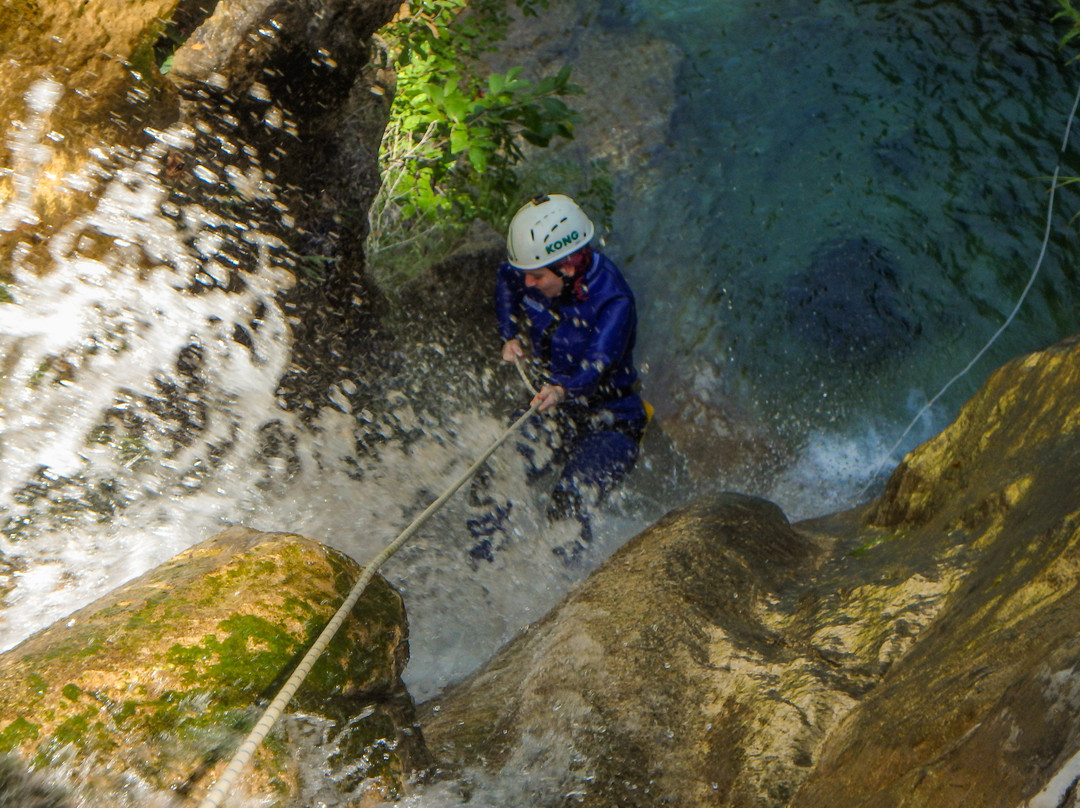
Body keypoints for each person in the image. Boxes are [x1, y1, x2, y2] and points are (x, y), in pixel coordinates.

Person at [468, 193, 648, 564]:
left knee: (569, 501)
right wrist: (509, 334)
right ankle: (482, 565)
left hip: (611, 423)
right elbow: (507, 280)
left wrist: (563, 389)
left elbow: (598, 363)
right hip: (558, 410)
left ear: (568, 268)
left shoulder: (614, 300)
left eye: (537, 277)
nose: (528, 282)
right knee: (496, 475)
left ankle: (565, 581)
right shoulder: (534, 272)